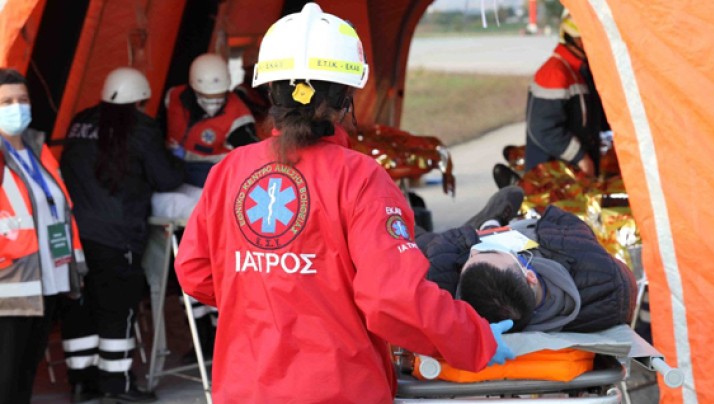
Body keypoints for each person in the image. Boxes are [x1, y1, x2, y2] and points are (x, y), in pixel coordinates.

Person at [174, 3, 515, 402]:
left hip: (244, 390)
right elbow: (394, 297)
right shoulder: (360, 178)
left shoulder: (229, 171)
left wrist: (269, 296)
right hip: (338, 389)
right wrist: (474, 338)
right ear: (345, 97)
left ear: (269, 90)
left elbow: (195, 272)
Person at [59, 67, 184, 403]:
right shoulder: (141, 128)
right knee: (116, 309)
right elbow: (167, 179)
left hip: (74, 235)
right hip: (117, 236)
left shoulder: (80, 121)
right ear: (140, 100)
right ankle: (117, 385)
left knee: (80, 307)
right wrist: (178, 159)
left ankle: (82, 384)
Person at [419, 186, 638, 333]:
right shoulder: (604, 284)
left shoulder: (447, 295)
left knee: (416, 241)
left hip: (447, 247)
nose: (476, 251)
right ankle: (489, 224)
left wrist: (469, 241)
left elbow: (443, 248)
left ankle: (487, 225)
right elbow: (564, 220)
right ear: (530, 276)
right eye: (490, 251)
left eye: (473, 256)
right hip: (545, 245)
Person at [0, 68, 86, 404]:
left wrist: (75, 263)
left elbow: (61, 208)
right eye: (6, 102)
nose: (16, 107)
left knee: (24, 377)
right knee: (6, 381)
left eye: (22, 99)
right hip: (9, 283)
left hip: (47, 279)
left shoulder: (37, 147)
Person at [524, 10, 609, 176]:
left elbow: (593, 116)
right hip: (552, 178)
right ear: (576, 40)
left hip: (573, 175)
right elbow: (543, 129)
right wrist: (580, 157)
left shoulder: (580, 71)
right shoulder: (554, 73)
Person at [165, 52, 259, 187]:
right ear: (193, 89)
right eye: (206, 97)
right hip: (170, 163)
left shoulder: (239, 119)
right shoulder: (174, 97)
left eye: (219, 96)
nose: (213, 103)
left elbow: (253, 157)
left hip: (208, 174)